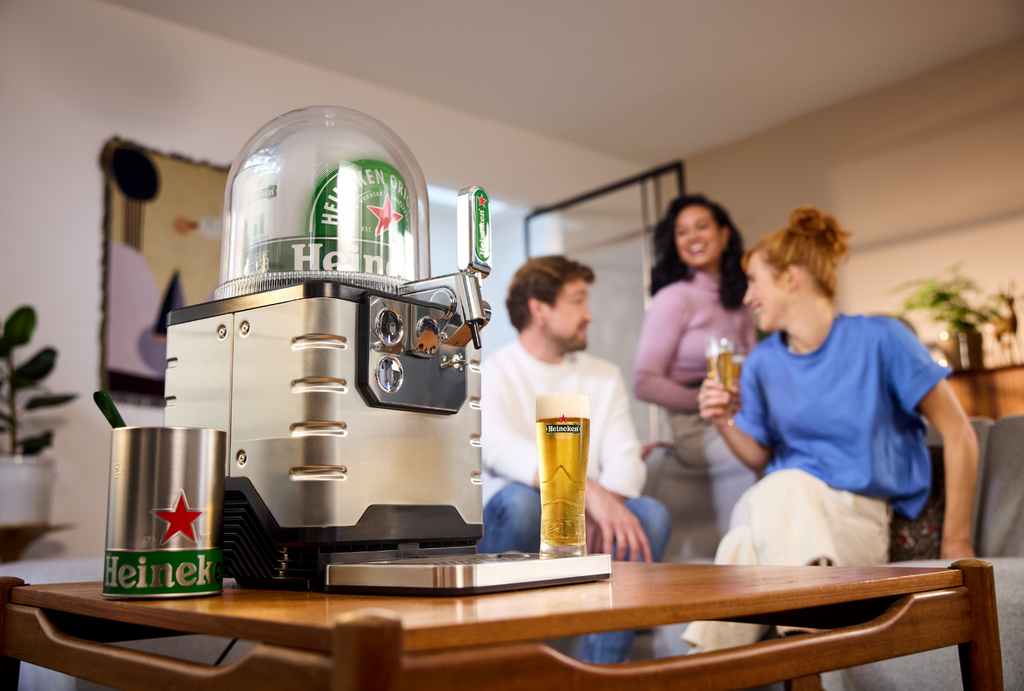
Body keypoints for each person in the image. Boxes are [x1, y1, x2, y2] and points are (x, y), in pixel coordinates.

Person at [684, 207, 978, 652]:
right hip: (782, 512)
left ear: (791, 278)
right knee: (774, 500)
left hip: (854, 521)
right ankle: (807, 642)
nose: (747, 298)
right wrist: (721, 419)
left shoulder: (881, 339)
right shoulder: (763, 361)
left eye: (754, 281)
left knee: (748, 537)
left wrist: (958, 541)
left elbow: (959, 434)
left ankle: (713, 664)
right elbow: (758, 457)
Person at [479, 255, 671, 663]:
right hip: (523, 515)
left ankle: (598, 672)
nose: (590, 315)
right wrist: (590, 498)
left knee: (651, 513)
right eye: (578, 301)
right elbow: (498, 447)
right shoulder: (493, 371)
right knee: (523, 505)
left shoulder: (603, 376)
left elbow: (626, 459)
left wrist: (597, 506)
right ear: (539, 308)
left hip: (583, 523)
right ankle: (498, 667)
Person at [632, 194, 757, 560]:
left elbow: (755, 368)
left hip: (740, 413)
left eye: (701, 226)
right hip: (696, 422)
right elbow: (644, 381)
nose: (692, 237)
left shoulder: (743, 301)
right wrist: (706, 402)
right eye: (682, 232)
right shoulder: (673, 298)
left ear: (724, 234)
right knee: (755, 457)